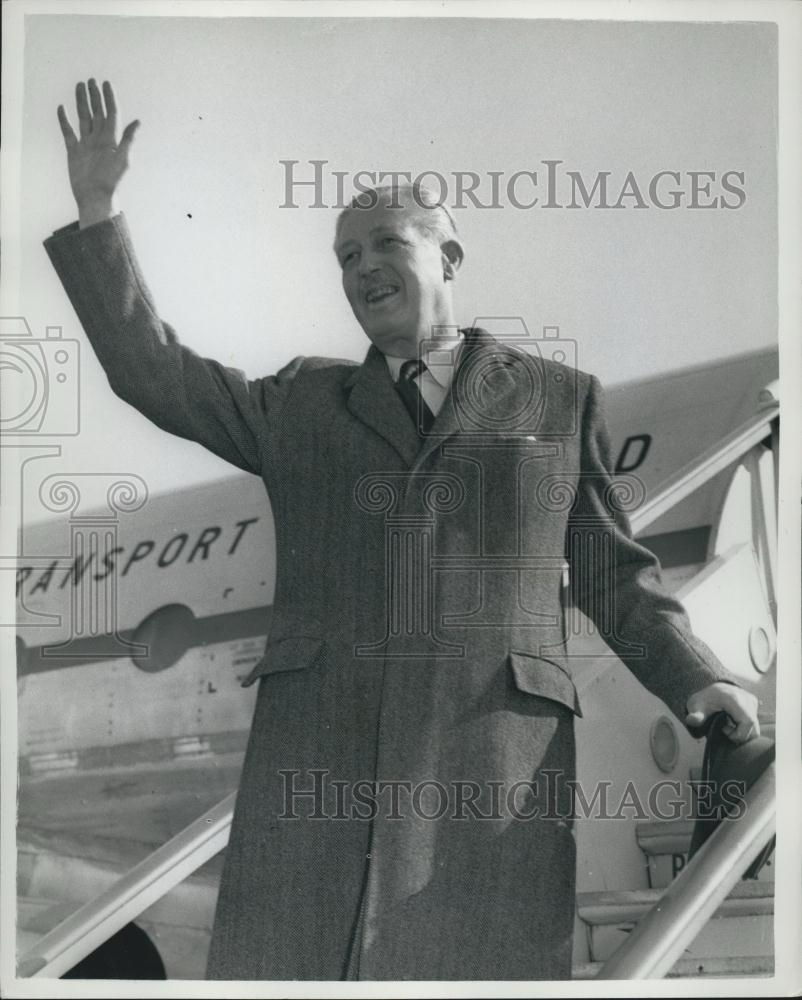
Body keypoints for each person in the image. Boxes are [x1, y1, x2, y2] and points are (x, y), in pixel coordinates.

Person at [46, 80, 760, 981]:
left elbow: (616, 575)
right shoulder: (301, 403)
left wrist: (700, 681)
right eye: (346, 253)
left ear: (449, 255)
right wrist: (97, 209)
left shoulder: (555, 400)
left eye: (387, 241)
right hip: (322, 770)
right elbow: (155, 371)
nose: (361, 265)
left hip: (490, 773)